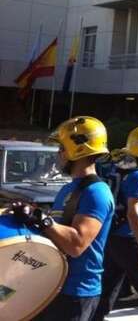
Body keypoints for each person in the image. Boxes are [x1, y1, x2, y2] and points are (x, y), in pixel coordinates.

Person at [11, 116, 115, 321]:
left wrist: (42, 220)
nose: (59, 154)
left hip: (77, 293)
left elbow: (76, 244)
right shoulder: (68, 188)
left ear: (78, 151)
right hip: (54, 284)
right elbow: (57, 231)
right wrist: (29, 218)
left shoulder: (97, 192)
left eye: (62, 149)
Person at [94, 126, 138, 321]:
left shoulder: (119, 169)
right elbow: (133, 212)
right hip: (128, 238)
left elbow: (130, 207)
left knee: (108, 286)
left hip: (112, 236)